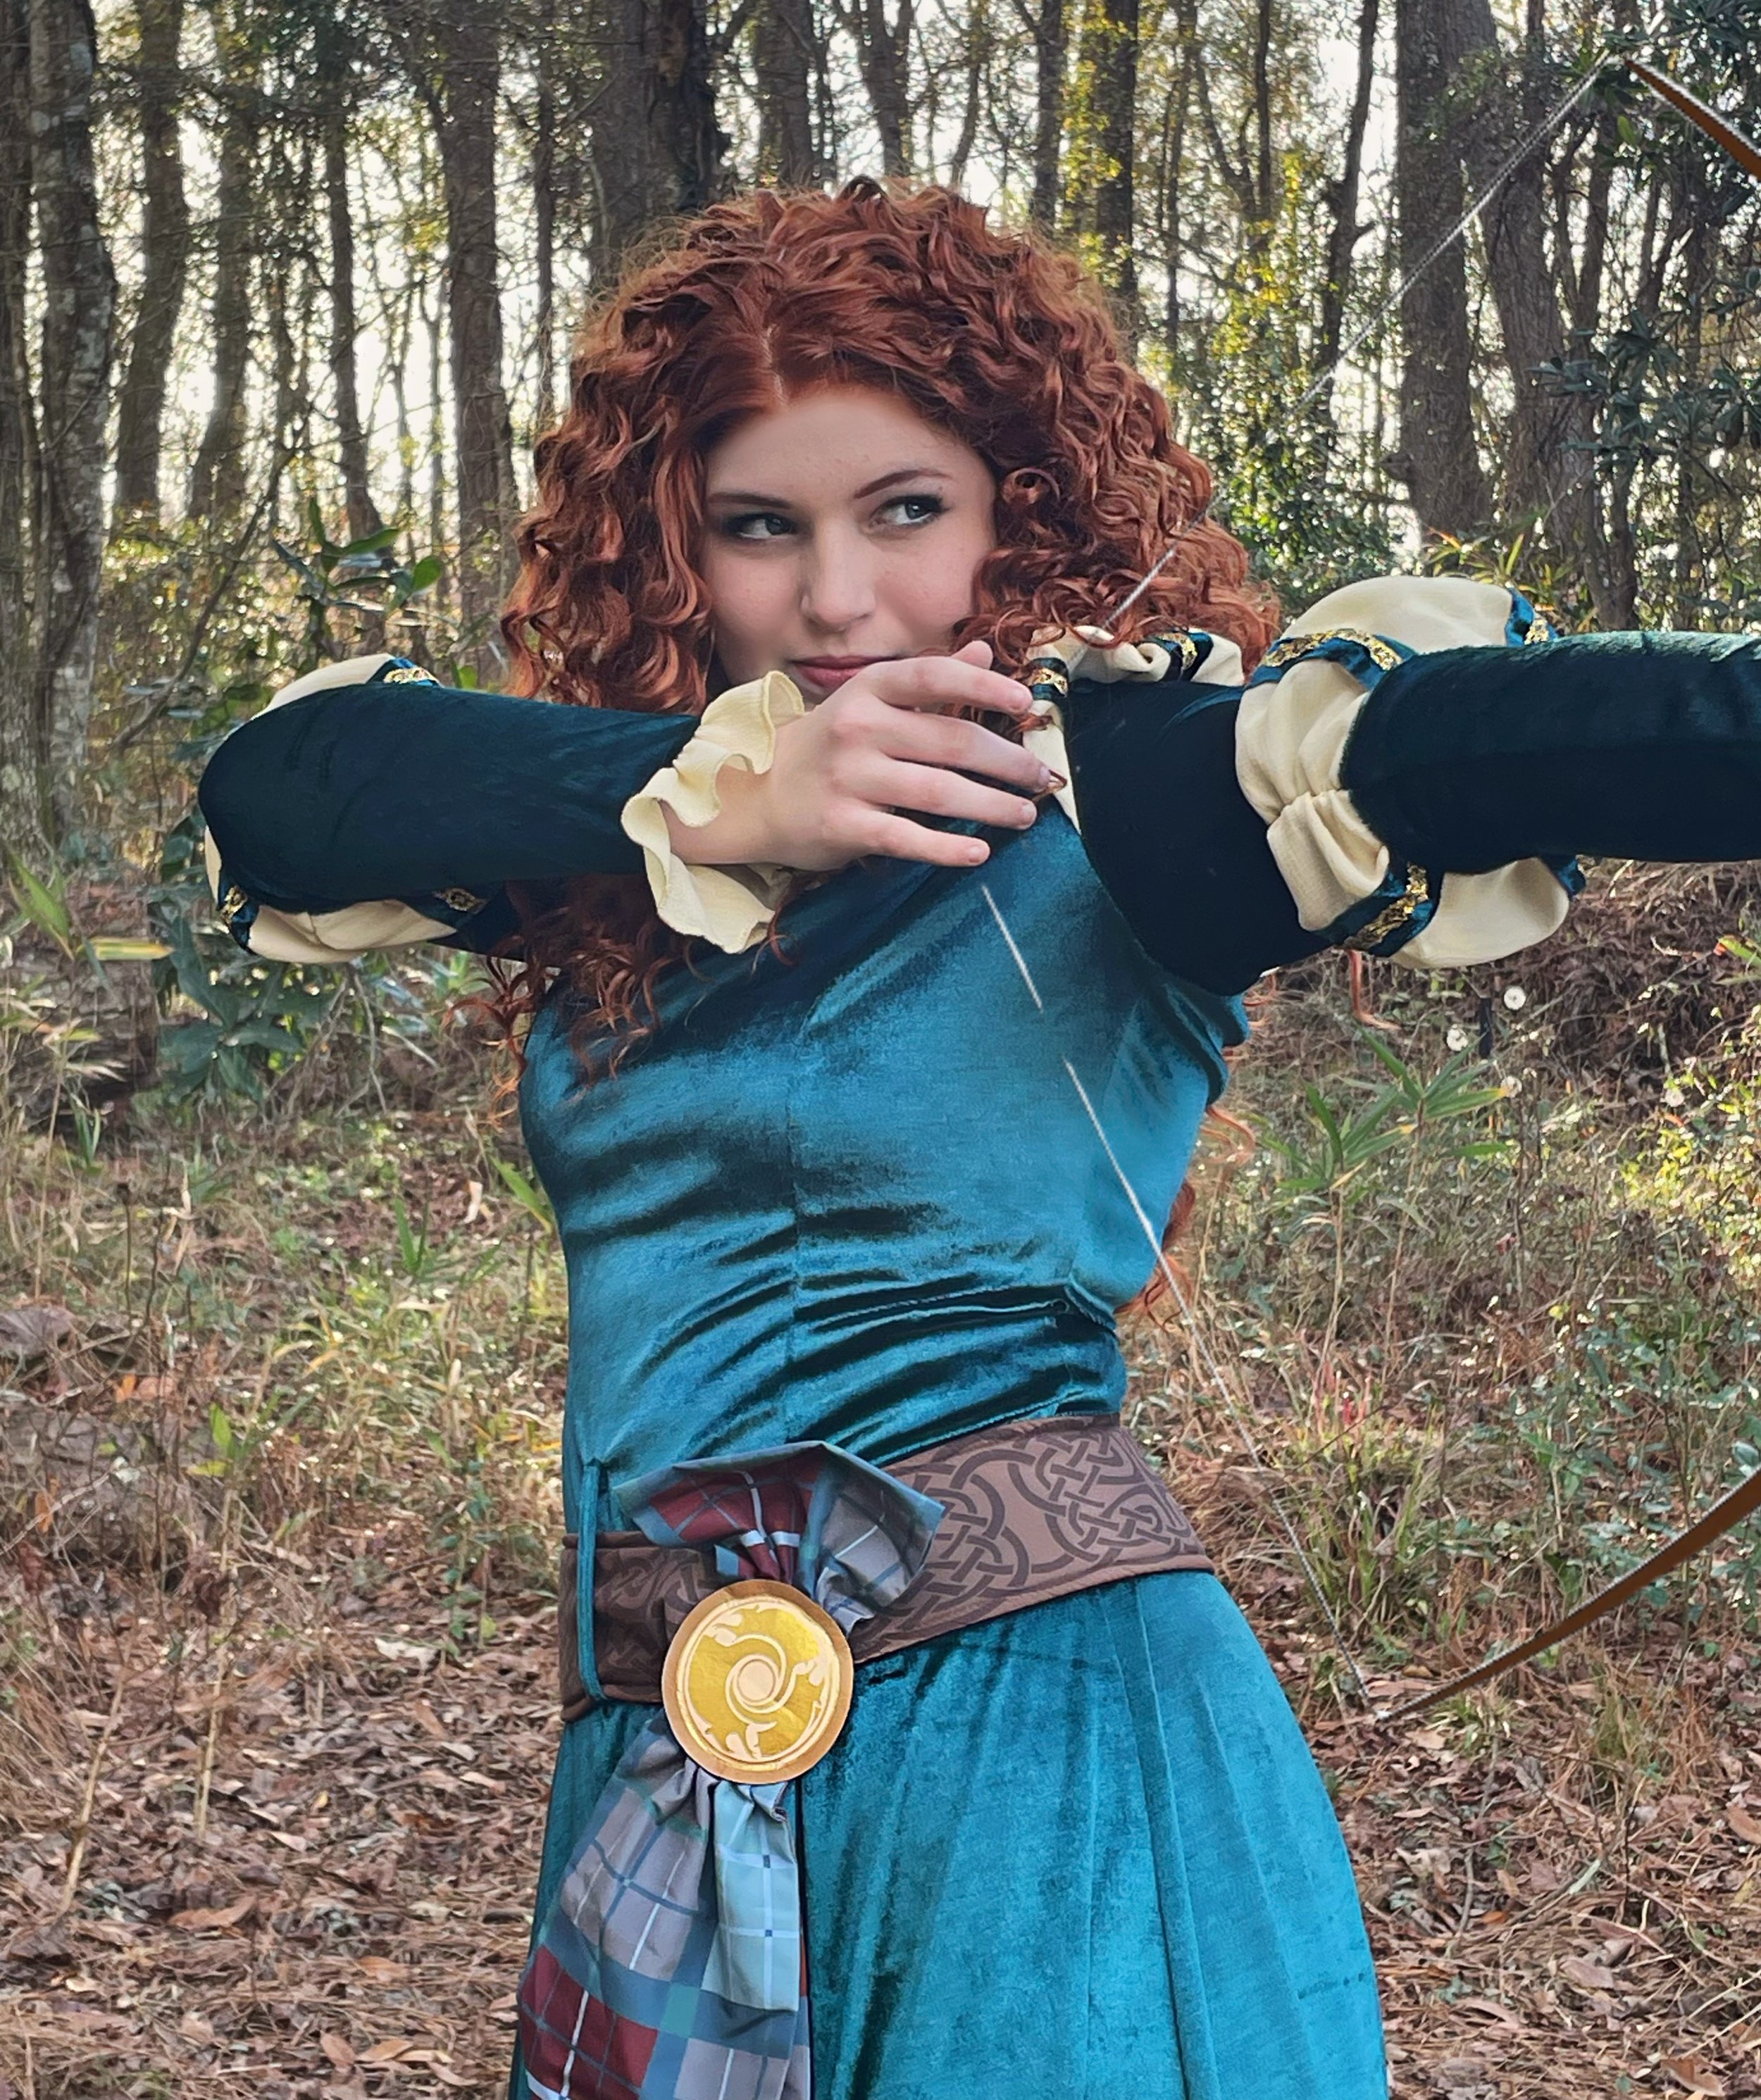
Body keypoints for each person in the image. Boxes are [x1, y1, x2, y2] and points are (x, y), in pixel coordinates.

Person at [197, 180, 1761, 2100]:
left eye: (903, 513)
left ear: (1014, 502)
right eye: (760, 528)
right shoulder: (629, 847)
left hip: (1049, 1764)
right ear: (674, 547)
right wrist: (706, 786)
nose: (837, 603)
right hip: (672, 1754)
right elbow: (281, 792)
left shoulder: (1140, 788)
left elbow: (1610, 734)